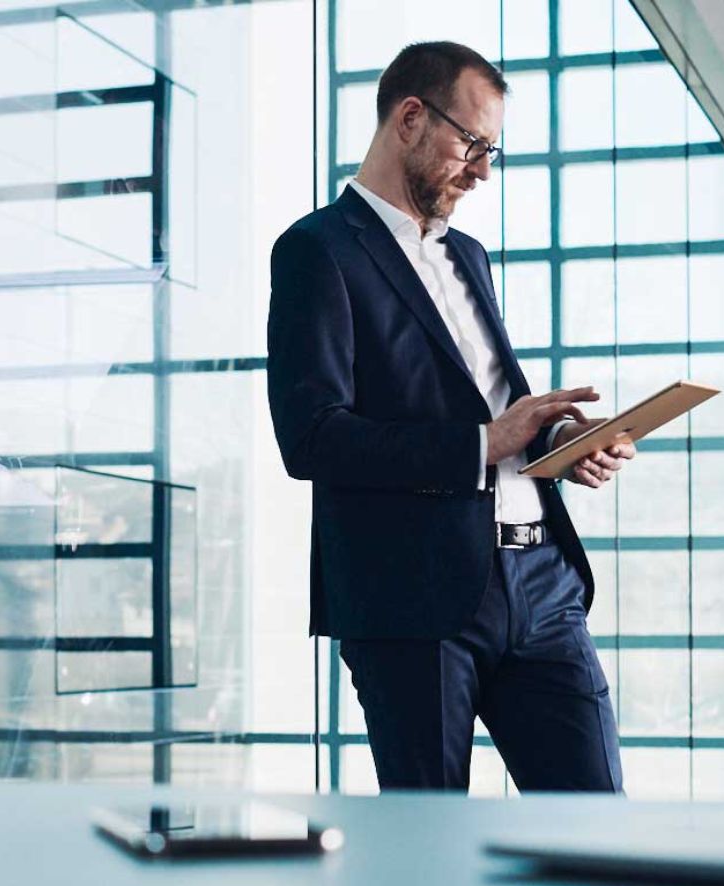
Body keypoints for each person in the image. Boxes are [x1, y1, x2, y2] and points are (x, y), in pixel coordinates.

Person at [267, 41, 636, 793]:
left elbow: (486, 405)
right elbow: (313, 437)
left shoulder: (469, 254)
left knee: (598, 823)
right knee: (432, 838)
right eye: (472, 144)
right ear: (410, 118)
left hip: (543, 582)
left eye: (491, 151)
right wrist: (482, 444)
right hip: (415, 601)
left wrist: (558, 440)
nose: (482, 171)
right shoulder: (317, 251)